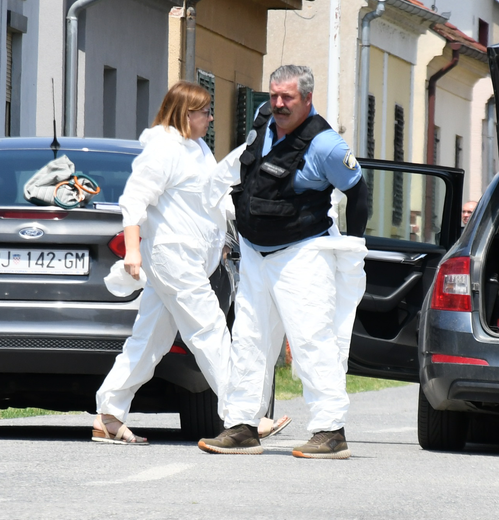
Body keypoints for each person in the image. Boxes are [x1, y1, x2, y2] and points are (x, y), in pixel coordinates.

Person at [200, 65, 371, 459]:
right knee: (249, 338)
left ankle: (330, 431)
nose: (278, 104)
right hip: (255, 252)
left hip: (303, 253)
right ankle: (242, 426)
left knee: (311, 339)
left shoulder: (327, 145)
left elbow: (359, 193)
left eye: (287, 97)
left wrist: (354, 246)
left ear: (307, 99)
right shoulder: (263, 121)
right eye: (274, 95)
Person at [92, 82, 233, 444]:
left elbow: (209, 199)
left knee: (148, 341)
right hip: (173, 257)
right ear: (186, 114)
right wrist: (132, 250)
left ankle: (108, 414)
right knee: (209, 328)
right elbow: (134, 200)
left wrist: (222, 239)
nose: (210, 118)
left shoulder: (199, 148)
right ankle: (242, 415)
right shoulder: (164, 149)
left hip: (188, 259)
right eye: (205, 112)